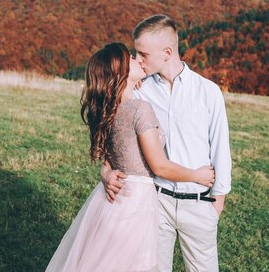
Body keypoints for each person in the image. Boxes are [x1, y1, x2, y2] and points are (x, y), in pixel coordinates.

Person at [45, 42, 215, 272]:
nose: (139, 60)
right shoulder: (139, 109)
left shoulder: (110, 109)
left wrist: (105, 171)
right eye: (132, 59)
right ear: (122, 71)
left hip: (112, 201)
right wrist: (197, 176)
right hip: (137, 202)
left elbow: (109, 157)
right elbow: (159, 166)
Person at [101, 15, 232, 272]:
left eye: (143, 54)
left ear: (167, 52)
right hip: (155, 203)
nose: (138, 60)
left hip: (199, 203)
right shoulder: (139, 91)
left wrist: (217, 203)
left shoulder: (208, 92)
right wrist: (105, 170)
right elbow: (114, 134)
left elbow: (220, 149)